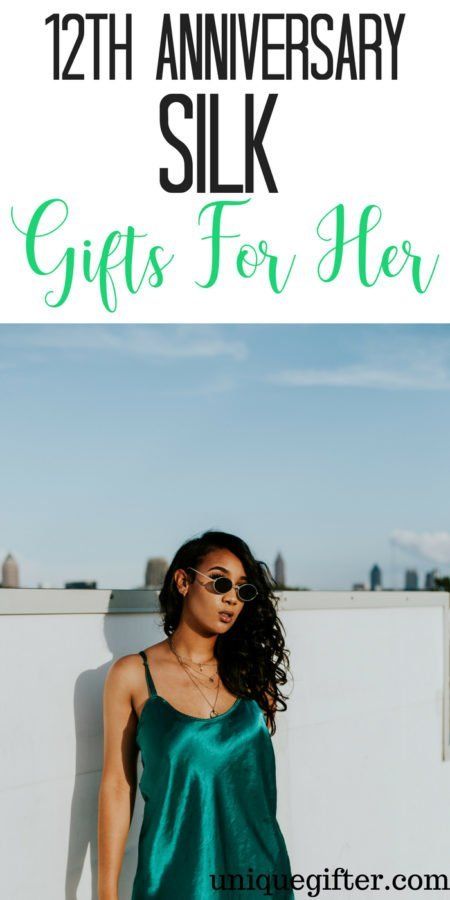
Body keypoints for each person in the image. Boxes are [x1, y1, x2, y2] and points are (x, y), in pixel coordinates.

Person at [98, 530, 295, 899]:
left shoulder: (253, 678)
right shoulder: (132, 676)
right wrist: (106, 892)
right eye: (220, 582)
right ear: (183, 581)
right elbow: (116, 787)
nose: (232, 599)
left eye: (243, 589)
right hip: (175, 881)